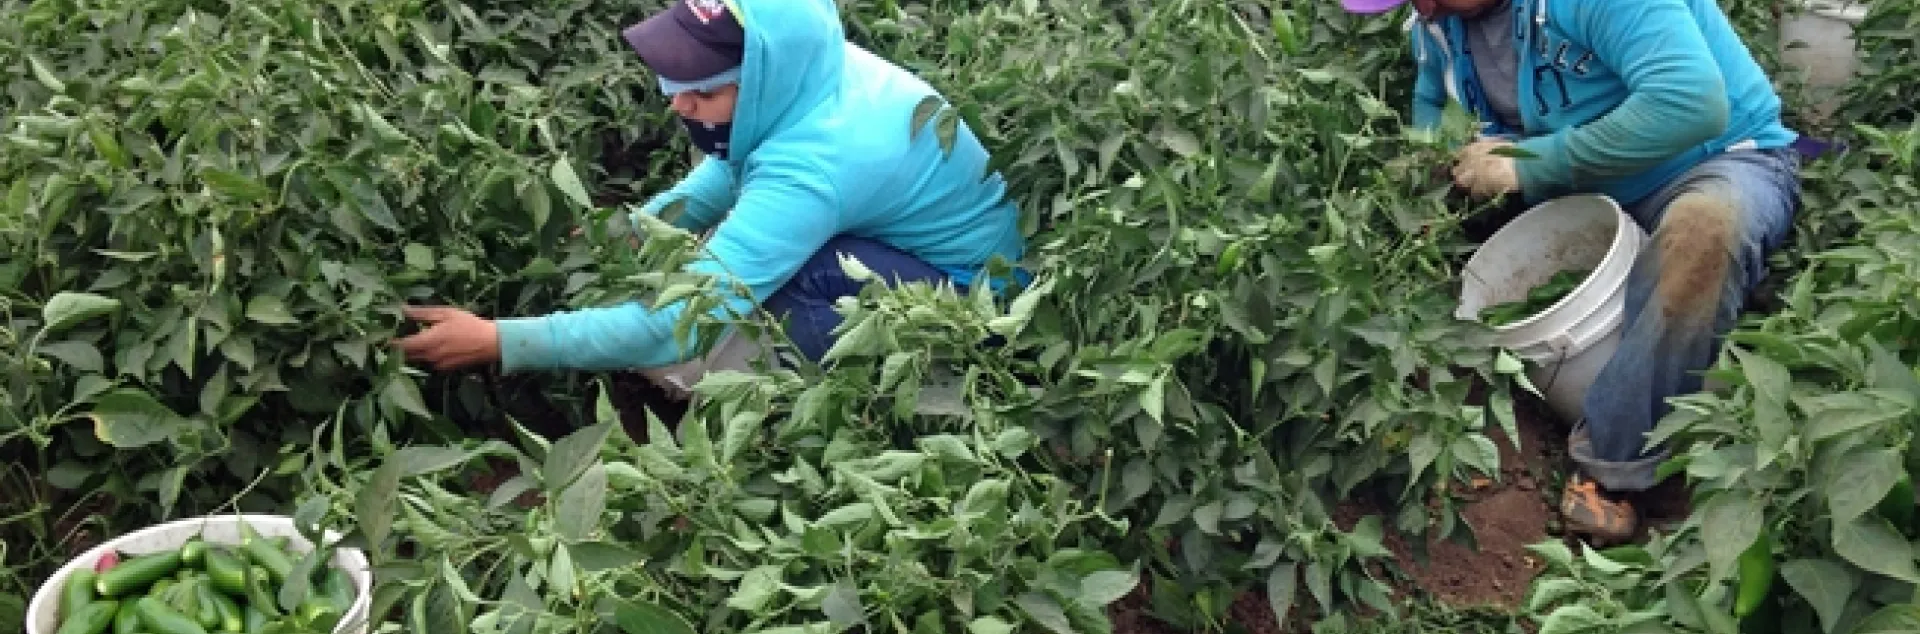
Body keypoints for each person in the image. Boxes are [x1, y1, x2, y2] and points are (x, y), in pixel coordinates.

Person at [1343, 0, 1802, 543]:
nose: (1424, 7)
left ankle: (1614, 469)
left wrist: (1526, 164)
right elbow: (1430, 96)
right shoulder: (1439, 24)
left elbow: (1690, 102)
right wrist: (1429, 162)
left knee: (1703, 232)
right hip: (1584, 185)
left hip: (1706, 164)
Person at [393, 0, 1026, 377]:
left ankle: (858, 392)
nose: (679, 105)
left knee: (776, 299)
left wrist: (502, 341)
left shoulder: (815, 170)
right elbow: (735, 164)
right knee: (745, 253)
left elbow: (672, 326)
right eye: (675, 83)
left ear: (765, 77)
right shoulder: (811, 73)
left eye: (704, 90)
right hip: (914, 241)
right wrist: (639, 229)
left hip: (971, 300)